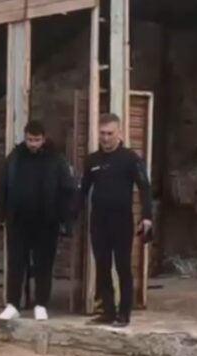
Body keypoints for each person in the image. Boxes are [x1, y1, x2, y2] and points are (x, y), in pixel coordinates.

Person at [0, 120, 76, 321]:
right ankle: (13, 304)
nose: (33, 144)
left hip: (46, 222)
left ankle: (41, 304)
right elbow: (2, 186)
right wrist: (3, 214)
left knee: (44, 265)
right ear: (25, 137)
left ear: (44, 138)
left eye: (37, 140)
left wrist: (66, 219)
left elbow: (67, 189)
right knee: (16, 264)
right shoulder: (15, 157)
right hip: (18, 221)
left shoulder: (56, 159)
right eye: (30, 139)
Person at [79, 113, 153, 328]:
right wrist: (70, 213)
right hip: (98, 221)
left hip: (121, 221)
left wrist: (147, 217)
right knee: (102, 266)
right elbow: (83, 190)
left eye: (110, 133)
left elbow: (145, 188)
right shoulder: (92, 160)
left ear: (119, 133)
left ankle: (124, 313)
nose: (105, 138)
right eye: (102, 133)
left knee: (122, 266)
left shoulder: (130, 158)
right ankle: (108, 311)